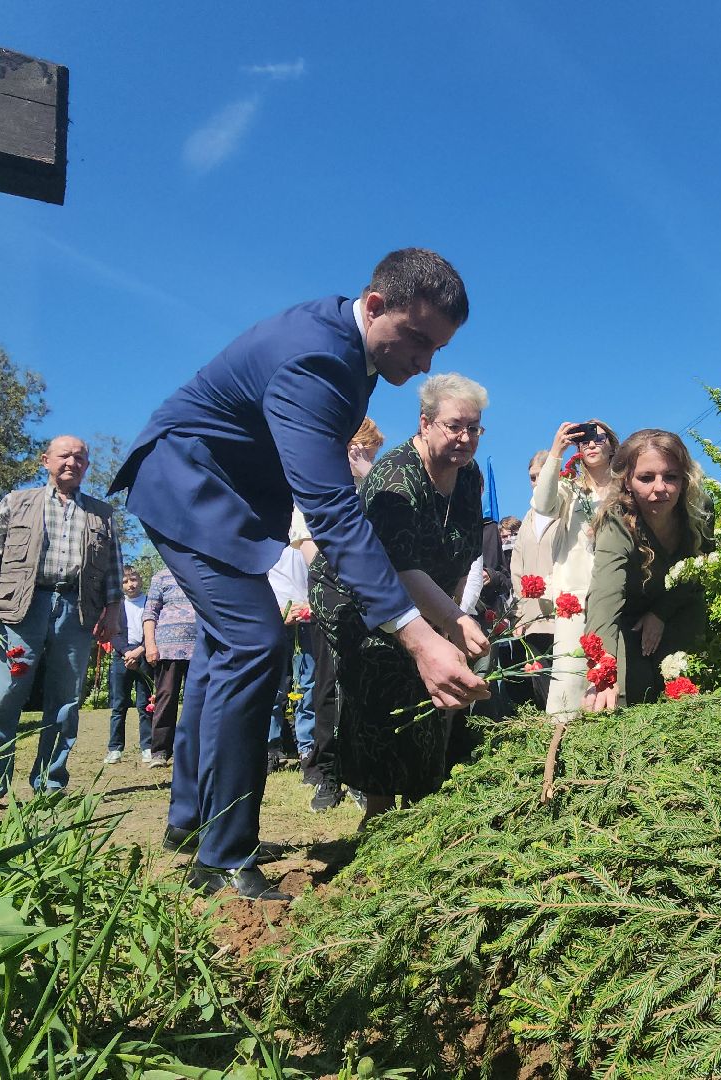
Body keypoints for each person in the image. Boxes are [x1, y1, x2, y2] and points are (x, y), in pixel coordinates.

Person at [112, 248, 488, 900]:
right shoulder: (319, 358)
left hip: (222, 498)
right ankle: (224, 859)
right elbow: (334, 512)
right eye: (419, 340)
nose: (426, 362)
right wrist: (417, 632)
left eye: (438, 348)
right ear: (375, 306)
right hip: (188, 487)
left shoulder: (354, 351)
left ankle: (189, 819)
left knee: (222, 650)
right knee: (254, 641)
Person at [309, 373, 491, 825]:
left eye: (474, 428)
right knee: (384, 682)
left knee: (430, 686)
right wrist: (450, 620)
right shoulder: (394, 477)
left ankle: (420, 809)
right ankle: (378, 816)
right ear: (425, 423)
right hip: (356, 596)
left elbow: (458, 556)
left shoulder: (468, 479)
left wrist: (449, 621)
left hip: (424, 593)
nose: (464, 438)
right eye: (454, 426)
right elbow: (397, 567)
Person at [0, 435, 124, 799]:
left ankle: (51, 785)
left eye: (80, 457)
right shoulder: (16, 502)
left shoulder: (102, 513)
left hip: (77, 612)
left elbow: (115, 570)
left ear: (87, 466)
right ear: (45, 461)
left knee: (66, 701)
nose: (72, 462)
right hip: (21, 608)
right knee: (3, 698)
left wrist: (113, 613)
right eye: (64, 455)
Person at [582, 430, 715, 711]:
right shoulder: (615, 521)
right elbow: (605, 596)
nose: (660, 488)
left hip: (681, 607)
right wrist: (602, 667)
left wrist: (661, 613)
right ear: (627, 481)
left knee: (687, 692)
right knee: (627, 696)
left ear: (684, 479)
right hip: (626, 618)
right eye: (646, 478)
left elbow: (703, 572)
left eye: (671, 476)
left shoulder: (700, 510)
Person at [298, 418, 384, 811]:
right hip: (329, 599)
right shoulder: (315, 488)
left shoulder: (373, 488)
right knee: (327, 687)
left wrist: (369, 475)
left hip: (368, 601)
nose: (371, 457)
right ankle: (326, 772)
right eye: (366, 450)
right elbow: (310, 551)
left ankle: (361, 772)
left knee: (364, 688)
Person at [530, 420, 619, 717]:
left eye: (598, 438)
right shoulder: (570, 486)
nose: (591, 444)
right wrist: (556, 451)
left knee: (609, 676)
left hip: (615, 593)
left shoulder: (625, 487)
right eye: (584, 440)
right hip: (576, 597)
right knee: (569, 681)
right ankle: (563, 746)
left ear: (612, 445)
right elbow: (542, 504)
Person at [511, 452, 559, 712]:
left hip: (563, 612)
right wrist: (519, 614)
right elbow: (516, 568)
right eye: (532, 477)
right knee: (541, 684)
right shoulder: (527, 520)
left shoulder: (565, 510)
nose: (537, 482)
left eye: (542, 475)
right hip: (533, 617)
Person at [266, 544, 315, 773]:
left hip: (308, 619)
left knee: (307, 685)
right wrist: (277, 612)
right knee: (274, 687)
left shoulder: (306, 538)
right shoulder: (266, 543)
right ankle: (270, 748)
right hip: (275, 620)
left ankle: (308, 747)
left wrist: (310, 605)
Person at [140, 564, 194, 767]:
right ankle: (160, 752)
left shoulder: (201, 572)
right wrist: (150, 645)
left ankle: (190, 750)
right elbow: (149, 613)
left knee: (196, 701)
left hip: (199, 650)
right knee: (166, 698)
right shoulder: (161, 577)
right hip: (167, 649)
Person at [105, 566, 151, 764]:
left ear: (140, 580)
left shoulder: (150, 602)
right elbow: (113, 632)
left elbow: (154, 628)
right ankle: (115, 748)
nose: (130, 584)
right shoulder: (116, 605)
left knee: (146, 704)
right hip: (121, 656)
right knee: (118, 705)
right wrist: (126, 652)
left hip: (146, 654)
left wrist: (140, 650)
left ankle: (148, 747)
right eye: (125, 581)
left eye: (133, 579)